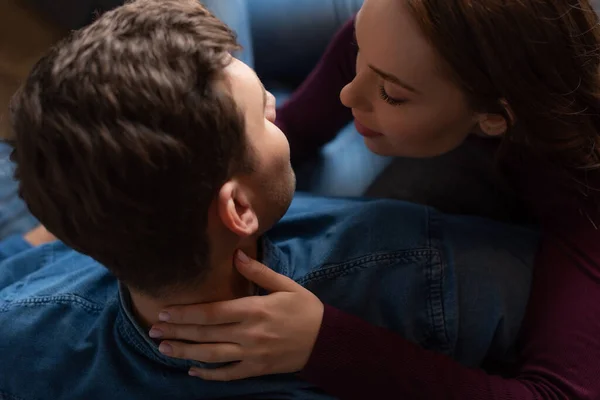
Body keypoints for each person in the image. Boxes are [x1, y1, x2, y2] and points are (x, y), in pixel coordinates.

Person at [0, 1, 540, 399]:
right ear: (238, 210)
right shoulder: (425, 264)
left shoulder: (20, 327)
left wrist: (59, 218)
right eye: (264, 114)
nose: (279, 111)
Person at [154, 0, 600, 399]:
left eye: (391, 93)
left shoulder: (580, 189)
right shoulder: (389, 32)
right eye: (360, 50)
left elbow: (558, 390)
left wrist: (324, 344)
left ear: (493, 118)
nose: (348, 94)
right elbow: (298, 127)